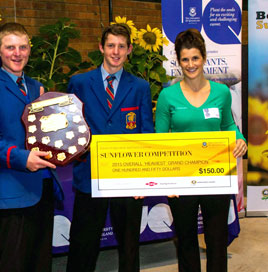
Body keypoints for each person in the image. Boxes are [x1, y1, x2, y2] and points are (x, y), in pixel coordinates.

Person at [0, 22, 63, 272]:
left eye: (23, 47)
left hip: (43, 185)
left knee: (41, 262)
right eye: (10, 47)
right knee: (14, 263)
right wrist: (24, 159)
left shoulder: (36, 87)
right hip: (12, 187)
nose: (17, 53)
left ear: (29, 50)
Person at [155, 28, 247, 272]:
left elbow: (228, 124)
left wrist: (240, 139)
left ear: (204, 58)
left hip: (215, 176)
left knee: (216, 240)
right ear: (178, 61)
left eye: (195, 58)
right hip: (181, 179)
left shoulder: (221, 92)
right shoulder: (167, 96)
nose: (190, 64)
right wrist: (166, 182)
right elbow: (160, 141)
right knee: (185, 239)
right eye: (185, 59)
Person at [66, 23, 154, 272]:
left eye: (121, 46)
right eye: (111, 45)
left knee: (129, 247)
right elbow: (70, 128)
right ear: (101, 48)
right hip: (90, 176)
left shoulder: (140, 87)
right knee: (83, 245)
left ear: (130, 50)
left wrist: (142, 178)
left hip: (126, 179)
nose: (116, 51)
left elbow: (146, 133)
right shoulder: (79, 83)